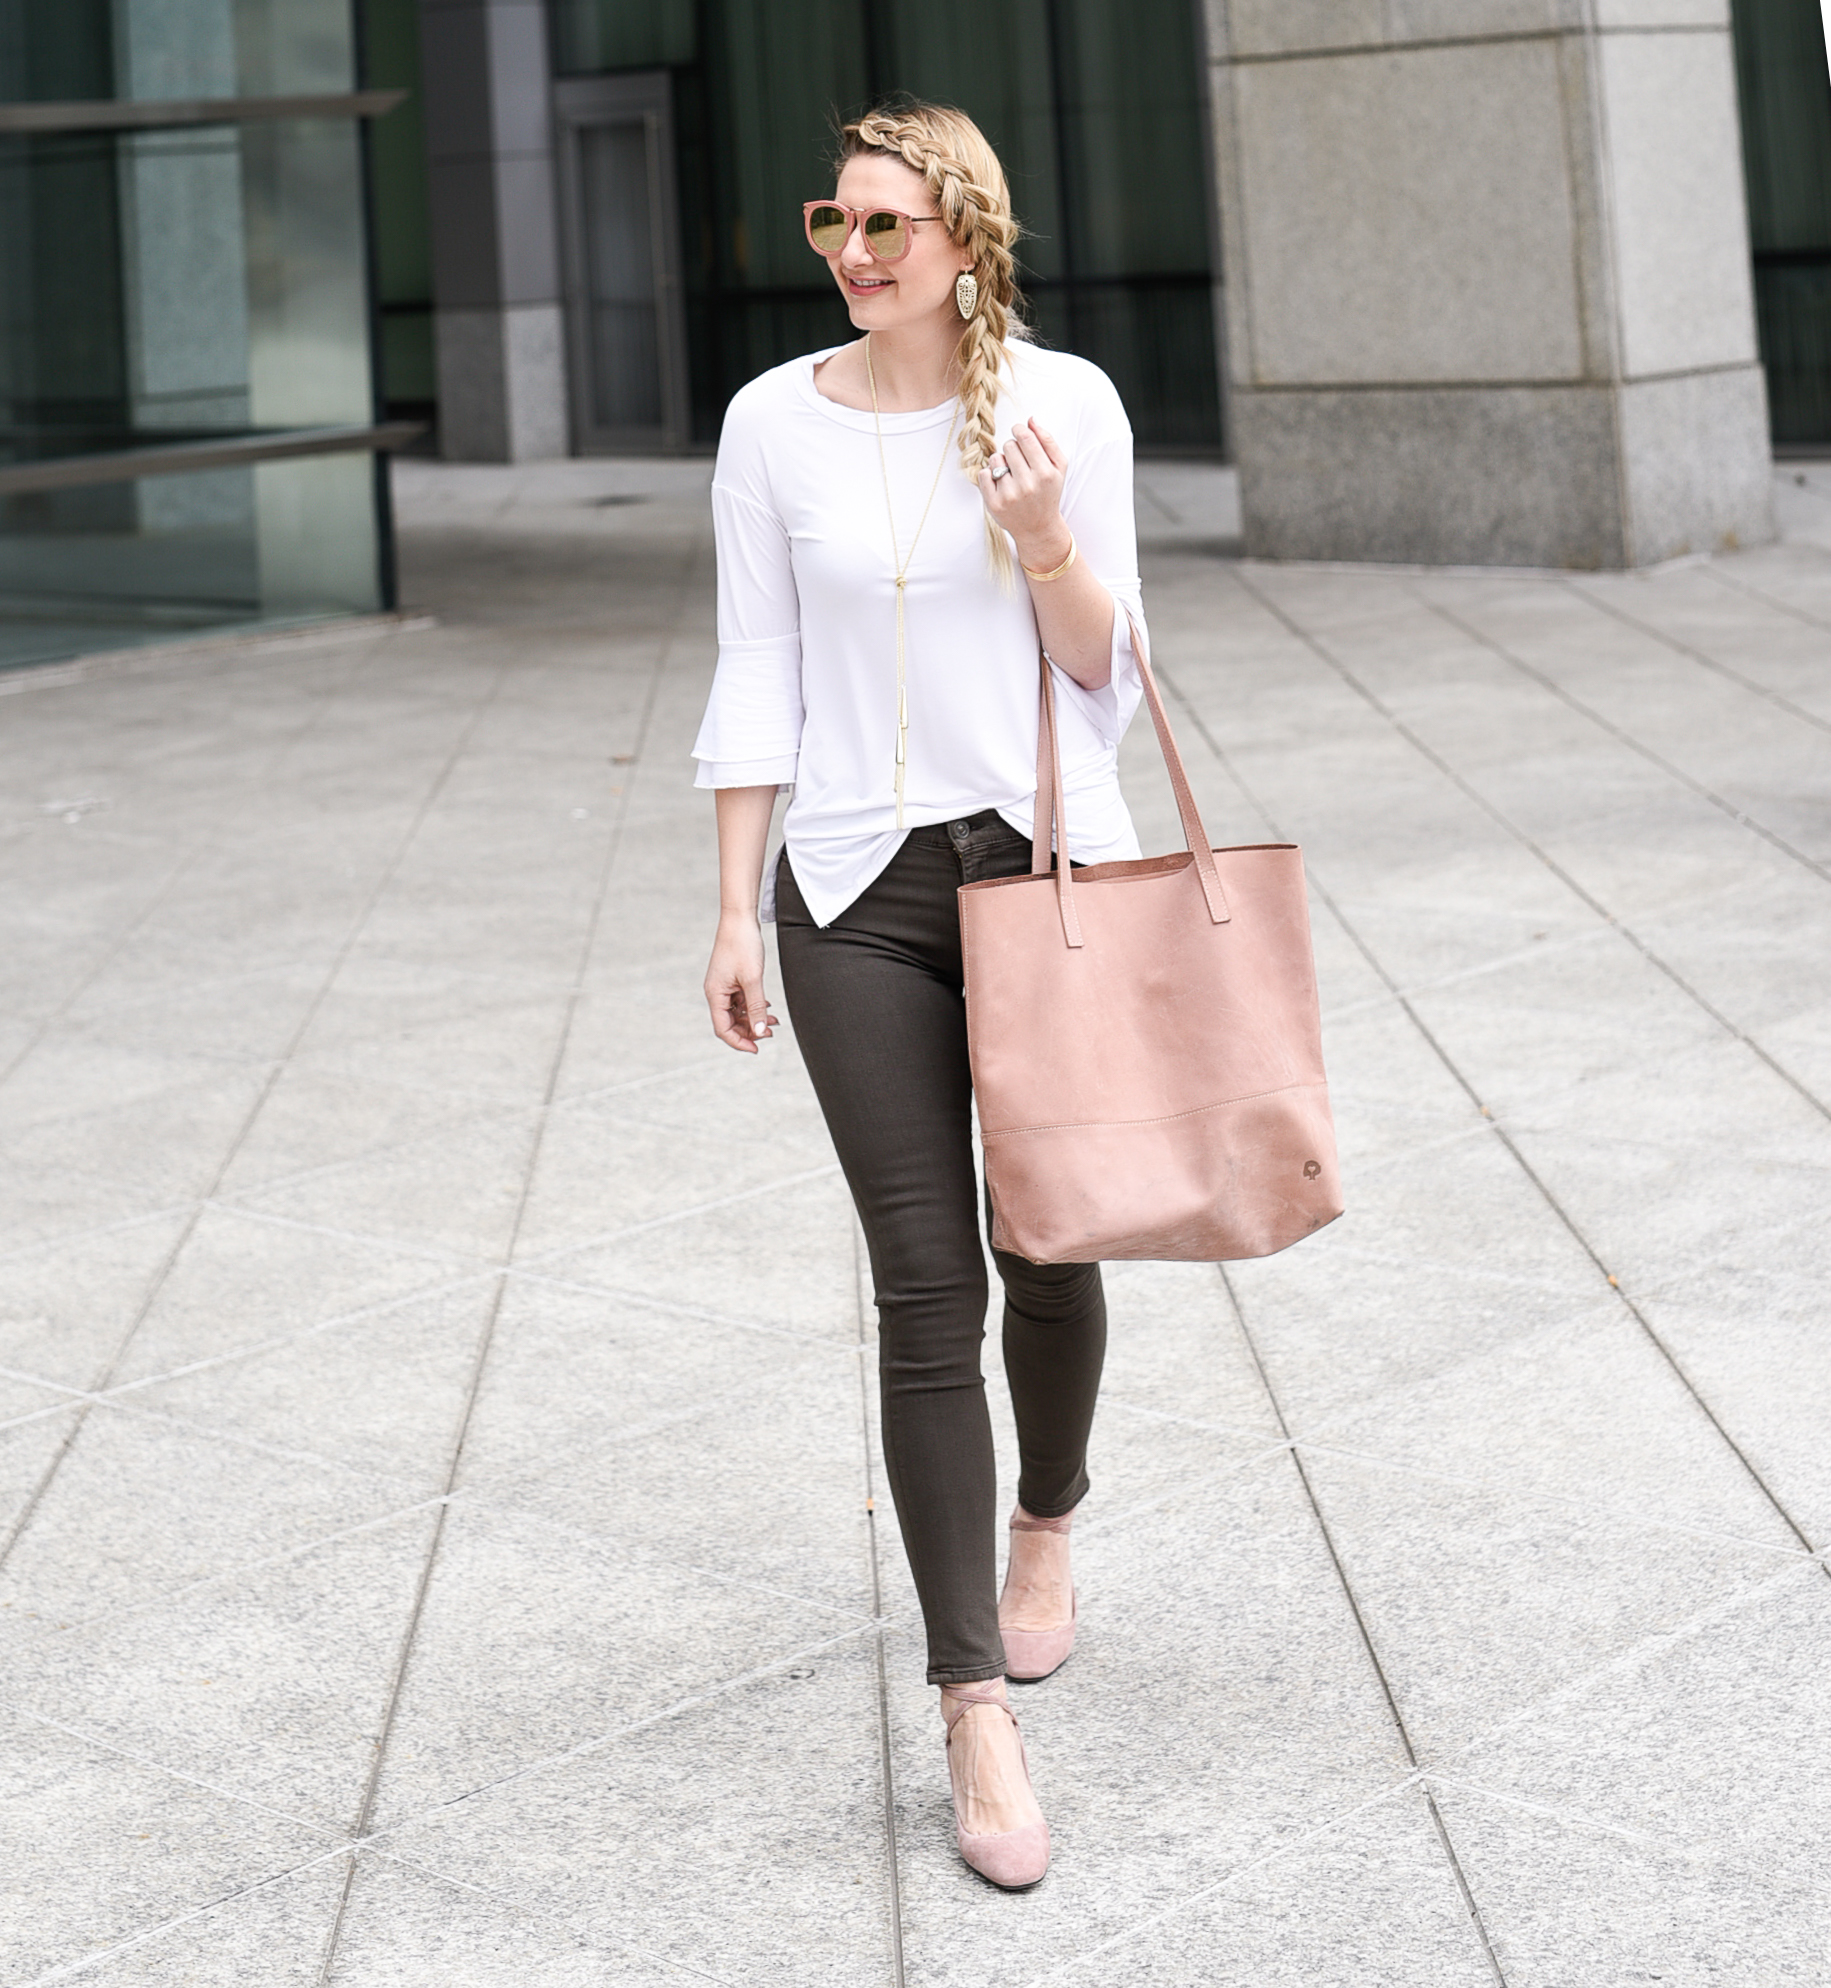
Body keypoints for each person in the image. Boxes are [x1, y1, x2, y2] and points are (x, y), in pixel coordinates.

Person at [694, 99, 1146, 1890]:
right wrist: (733, 904)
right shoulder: (765, 427)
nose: (854, 255)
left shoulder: (1066, 406)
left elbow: (1110, 668)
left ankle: (1049, 1517)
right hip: (844, 894)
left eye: (886, 225)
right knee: (922, 1282)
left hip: (1038, 873)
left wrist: (1039, 538)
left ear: (965, 239)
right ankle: (973, 1699)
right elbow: (754, 665)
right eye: (834, 224)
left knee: (1050, 1244)